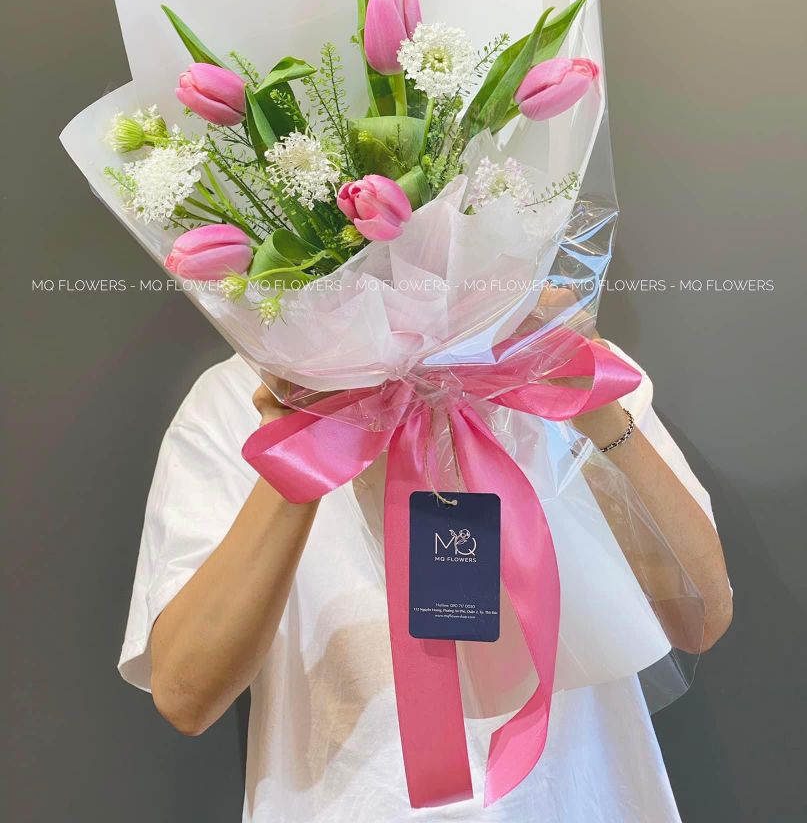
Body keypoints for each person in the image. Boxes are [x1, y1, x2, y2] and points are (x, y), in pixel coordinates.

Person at [119, 338, 732, 823]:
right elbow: (186, 694)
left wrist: (590, 408)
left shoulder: (557, 356)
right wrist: (300, 451)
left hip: (577, 799)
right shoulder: (240, 397)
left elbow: (700, 616)